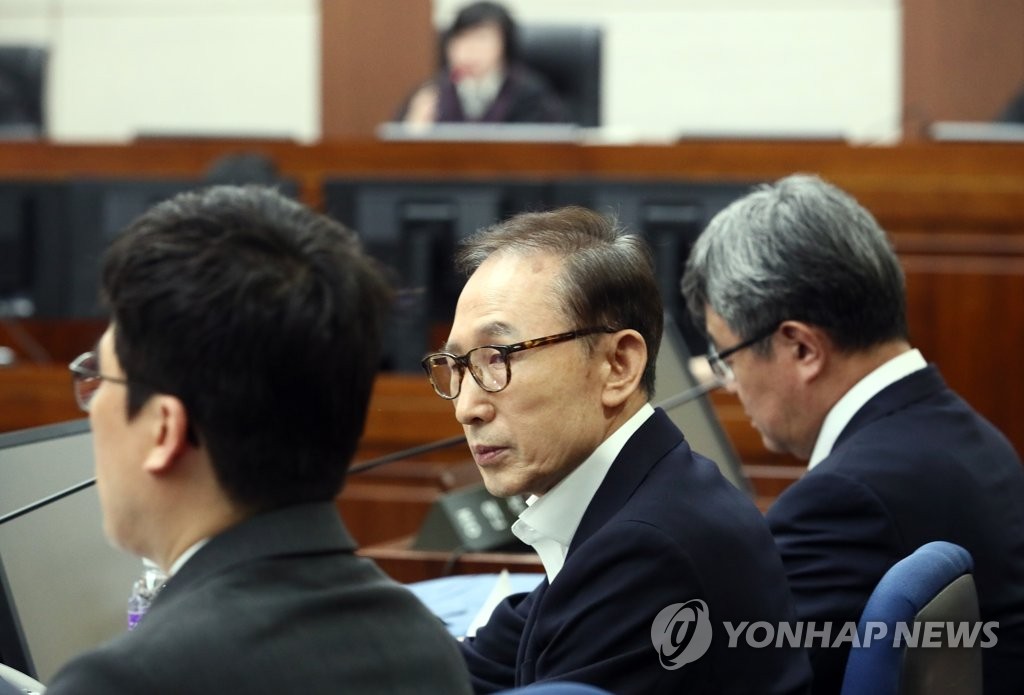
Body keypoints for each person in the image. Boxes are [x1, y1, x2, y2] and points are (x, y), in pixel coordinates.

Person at [47, 186, 471, 694]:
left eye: (101, 379)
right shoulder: (426, 643)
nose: (93, 405)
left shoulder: (125, 681)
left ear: (164, 429)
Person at [421, 206, 811, 694]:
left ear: (619, 365)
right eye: (457, 365)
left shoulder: (646, 551)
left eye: (497, 358)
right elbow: (468, 670)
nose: (466, 408)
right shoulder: (636, 498)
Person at [681, 173, 1024, 695]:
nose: (729, 384)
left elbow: (724, 676)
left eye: (726, 356)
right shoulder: (970, 435)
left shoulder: (843, 500)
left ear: (801, 349)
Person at [397, 1, 569, 126]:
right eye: (461, 38)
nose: (468, 49)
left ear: (505, 46)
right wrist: (414, 129)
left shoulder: (530, 94)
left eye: (481, 39)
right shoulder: (432, 92)